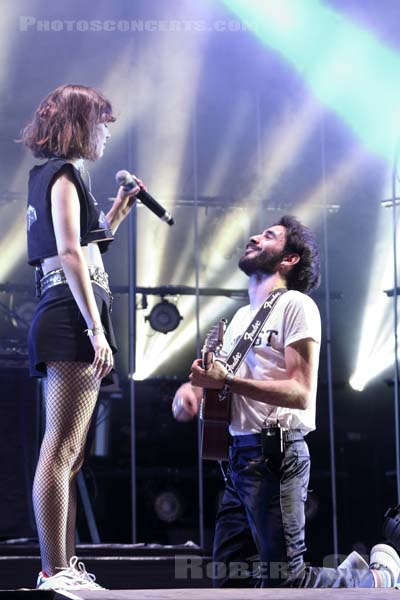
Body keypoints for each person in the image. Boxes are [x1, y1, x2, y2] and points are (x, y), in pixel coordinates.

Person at [172, 215, 400, 588]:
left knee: (287, 581)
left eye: (269, 235)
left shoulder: (296, 305)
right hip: (239, 458)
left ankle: (375, 580)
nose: (254, 236)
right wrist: (189, 394)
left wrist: (226, 379)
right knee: (229, 580)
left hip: (276, 455)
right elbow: (210, 385)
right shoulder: (241, 319)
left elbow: (300, 391)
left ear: (289, 259)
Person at [22, 84, 142, 591]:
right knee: (60, 448)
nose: (107, 131)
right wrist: (96, 329)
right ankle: (55, 571)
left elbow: (86, 247)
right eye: (103, 121)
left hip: (69, 308)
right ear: (80, 121)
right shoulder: (65, 174)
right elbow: (71, 255)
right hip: (70, 314)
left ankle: (65, 568)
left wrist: (116, 210)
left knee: (71, 455)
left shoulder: (54, 177)